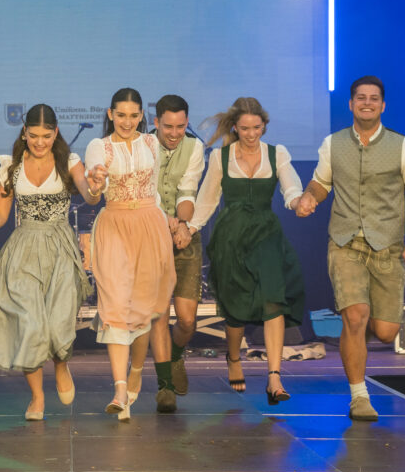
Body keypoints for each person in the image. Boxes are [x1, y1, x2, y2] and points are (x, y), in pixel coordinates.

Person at [296, 75, 405, 421]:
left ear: (382, 105)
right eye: (360, 97)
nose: (366, 103)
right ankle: (359, 396)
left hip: (387, 245)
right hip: (345, 242)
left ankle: (355, 330)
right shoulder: (332, 143)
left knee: (385, 332)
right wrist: (310, 196)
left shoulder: (403, 145)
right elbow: (321, 182)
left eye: (373, 98)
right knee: (355, 316)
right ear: (351, 104)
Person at [0, 104, 103, 421]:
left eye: (46, 136)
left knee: (58, 323)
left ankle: (61, 364)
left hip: (60, 248)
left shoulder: (69, 162)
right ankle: (37, 397)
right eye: (34, 135)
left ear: (56, 133)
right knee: (29, 324)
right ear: (24, 132)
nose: (40, 142)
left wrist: (96, 189)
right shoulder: (11, 167)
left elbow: (89, 195)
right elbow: (0, 215)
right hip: (24, 249)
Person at [188, 97, 305, 405]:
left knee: (273, 300)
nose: (251, 134)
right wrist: (191, 228)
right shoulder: (221, 157)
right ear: (235, 128)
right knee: (236, 307)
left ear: (264, 125)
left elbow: (291, 187)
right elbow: (207, 199)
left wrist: (297, 202)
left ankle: (274, 377)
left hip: (266, 236)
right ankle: (233, 357)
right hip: (231, 237)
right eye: (245, 129)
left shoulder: (277, 153)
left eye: (257, 127)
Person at [85, 87, 177, 420]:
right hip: (115, 226)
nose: (127, 122)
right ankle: (120, 390)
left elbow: (156, 190)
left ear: (142, 116)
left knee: (144, 310)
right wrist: (96, 182)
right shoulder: (99, 146)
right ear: (110, 114)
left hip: (150, 227)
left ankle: (136, 370)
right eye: (120, 115)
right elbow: (93, 186)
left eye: (133, 115)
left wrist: (167, 224)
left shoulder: (152, 143)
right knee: (115, 306)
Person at [126, 95, 205, 405]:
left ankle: (174, 356)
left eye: (180, 127)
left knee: (186, 320)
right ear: (156, 122)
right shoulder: (141, 146)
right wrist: (168, 223)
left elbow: (187, 191)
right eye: (168, 126)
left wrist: (183, 225)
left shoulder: (195, 148)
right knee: (158, 315)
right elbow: (146, 193)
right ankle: (165, 387)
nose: (174, 133)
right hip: (150, 235)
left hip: (184, 234)